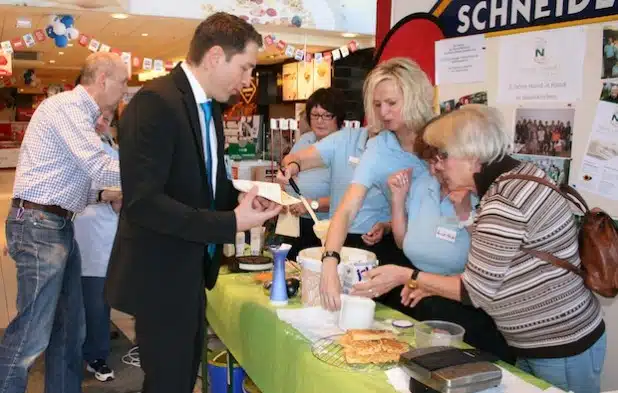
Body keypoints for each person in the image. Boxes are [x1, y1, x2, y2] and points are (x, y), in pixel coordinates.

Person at [104, 13, 281, 393]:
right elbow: (144, 203)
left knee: (183, 376)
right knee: (168, 381)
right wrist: (231, 222)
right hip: (160, 274)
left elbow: (207, 187)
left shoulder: (210, 109)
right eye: (246, 67)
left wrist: (249, 201)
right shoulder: (155, 101)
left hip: (190, 270)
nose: (249, 81)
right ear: (216, 56)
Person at [398, 105, 606, 393]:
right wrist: (431, 286)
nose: (437, 167)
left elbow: (474, 291)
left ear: (472, 155)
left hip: (559, 346)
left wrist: (406, 276)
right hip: (544, 343)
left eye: (443, 156)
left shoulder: (503, 201)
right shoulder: (519, 176)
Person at [0, 52, 126, 393]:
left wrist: (104, 197)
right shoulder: (68, 108)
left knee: (70, 329)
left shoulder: (81, 117)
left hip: (57, 225)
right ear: (102, 79)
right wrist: (156, 170)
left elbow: (76, 189)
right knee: (31, 333)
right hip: (41, 227)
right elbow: (100, 167)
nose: (124, 90)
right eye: (122, 82)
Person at [350, 128, 515, 363]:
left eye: (439, 161)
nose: (434, 169)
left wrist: (465, 213)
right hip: (418, 293)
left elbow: (489, 257)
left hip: (461, 301)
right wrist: (397, 199)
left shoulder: (479, 192)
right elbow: (402, 242)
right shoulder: (422, 185)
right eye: (429, 161)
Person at [319, 58, 435, 311]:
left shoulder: (441, 139)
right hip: (407, 255)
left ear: (415, 98)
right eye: (378, 104)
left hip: (445, 265)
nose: (384, 112)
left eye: (392, 103)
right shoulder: (380, 146)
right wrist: (329, 261)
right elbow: (348, 208)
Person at [73, 109, 119, 382]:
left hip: (108, 228)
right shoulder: (77, 146)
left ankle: (96, 343)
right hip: (87, 230)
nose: (104, 122)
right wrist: (105, 195)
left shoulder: (109, 144)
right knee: (93, 296)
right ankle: (94, 355)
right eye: (101, 117)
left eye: (109, 118)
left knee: (102, 295)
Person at [284, 87, 345, 260]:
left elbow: (348, 197)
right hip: (295, 223)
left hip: (324, 227)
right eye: (315, 115)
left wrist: (312, 204)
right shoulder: (306, 139)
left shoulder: (344, 147)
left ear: (338, 118)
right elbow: (289, 162)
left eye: (327, 115)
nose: (320, 121)